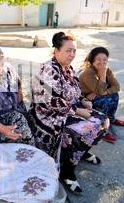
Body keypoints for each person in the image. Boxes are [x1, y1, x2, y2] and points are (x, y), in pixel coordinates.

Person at [28, 32, 109, 193]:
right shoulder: (48, 70)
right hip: (47, 116)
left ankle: (79, 152)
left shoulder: (68, 68)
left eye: (74, 51)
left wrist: (83, 100)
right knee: (80, 131)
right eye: (68, 50)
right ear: (56, 50)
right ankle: (67, 170)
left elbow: (75, 90)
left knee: (103, 121)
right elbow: (50, 101)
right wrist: (78, 110)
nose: (72, 55)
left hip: (68, 110)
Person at [79, 47, 124, 143]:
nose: (102, 62)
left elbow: (117, 86)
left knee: (114, 95)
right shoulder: (88, 73)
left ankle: (111, 118)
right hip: (85, 100)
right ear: (93, 61)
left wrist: (100, 92)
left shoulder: (107, 70)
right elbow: (100, 91)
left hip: (96, 94)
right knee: (104, 99)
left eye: (104, 59)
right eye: (98, 59)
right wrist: (103, 76)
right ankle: (102, 130)